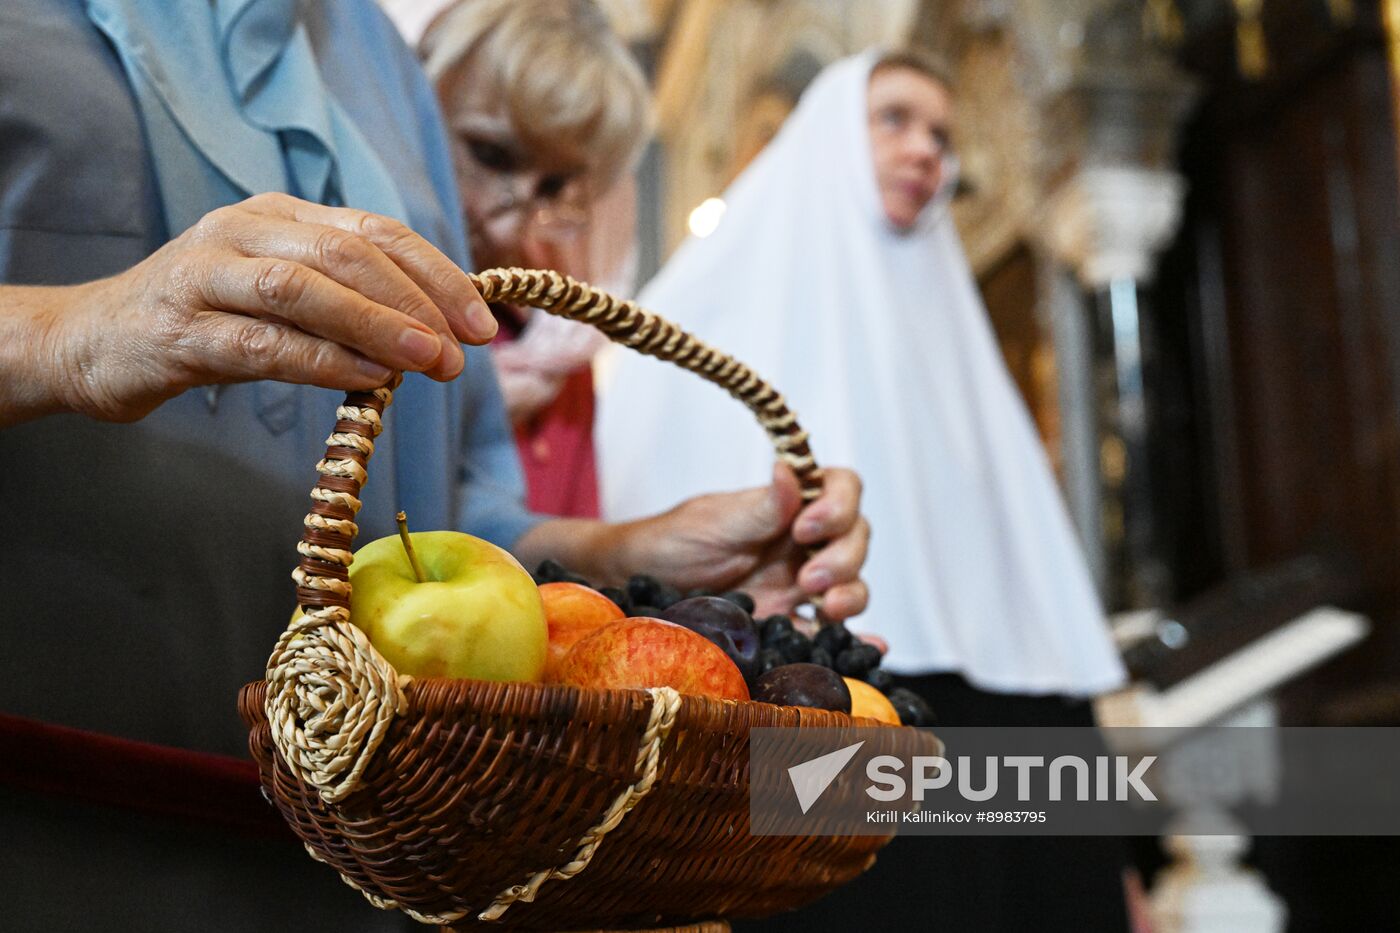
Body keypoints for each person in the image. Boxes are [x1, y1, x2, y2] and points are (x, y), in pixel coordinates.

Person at [0, 2, 868, 929]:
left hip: (375, 851)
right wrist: (66, 333)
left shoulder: (375, 56)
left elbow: (443, 494)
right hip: (56, 813)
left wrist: (630, 561)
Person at [597, 49, 1130, 930]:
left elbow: (1026, 578)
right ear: (830, 135)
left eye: (942, 134)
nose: (927, 149)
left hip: (997, 718)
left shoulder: (956, 335)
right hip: (823, 712)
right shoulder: (702, 311)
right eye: (895, 119)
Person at [417, 0, 649, 517]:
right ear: (416, 104)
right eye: (490, 154)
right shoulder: (351, 302)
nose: (508, 225)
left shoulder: (561, 345)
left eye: (554, 184)